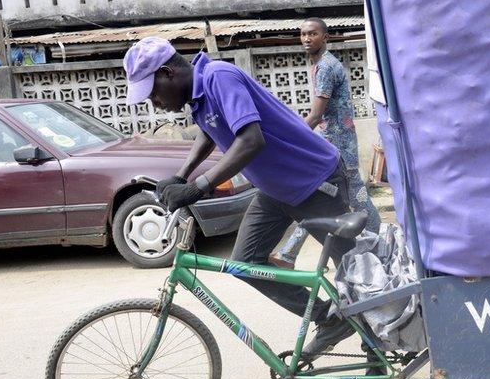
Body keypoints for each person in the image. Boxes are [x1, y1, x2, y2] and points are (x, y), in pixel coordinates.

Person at [122, 37, 355, 360]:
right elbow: (210, 130)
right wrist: (182, 175)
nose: (156, 103)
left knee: (354, 273)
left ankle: (376, 354)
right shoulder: (200, 96)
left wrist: (198, 186)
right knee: (245, 263)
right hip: (277, 189)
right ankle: (328, 318)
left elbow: (250, 140)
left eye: (153, 92)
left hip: (314, 181)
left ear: (167, 73)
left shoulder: (219, 76)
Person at [272, 17, 382, 268]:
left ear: (326, 37)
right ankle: (289, 253)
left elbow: (316, 114)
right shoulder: (320, 64)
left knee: (354, 196)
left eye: (312, 34)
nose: (307, 39)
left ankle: (379, 245)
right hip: (331, 141)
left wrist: (290, 135)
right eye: (303, 34)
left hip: (338, 144)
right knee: (330, 196)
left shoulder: (325, 67)